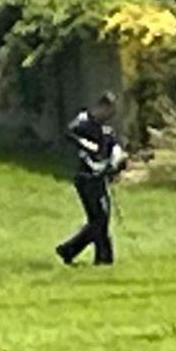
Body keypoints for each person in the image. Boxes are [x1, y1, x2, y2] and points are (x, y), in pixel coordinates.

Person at [55, 93, 128, 266]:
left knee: (101, 219)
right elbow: (70, 135)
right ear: (101, 106)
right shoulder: (83, 121)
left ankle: (95, 255)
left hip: (99, 177)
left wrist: (115, 161)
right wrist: (88, 147)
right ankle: (90, 253)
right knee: (99, 218)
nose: (111, 115)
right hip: (85, 177)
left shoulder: (106, 130)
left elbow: (114, 147)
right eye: (109, 110)